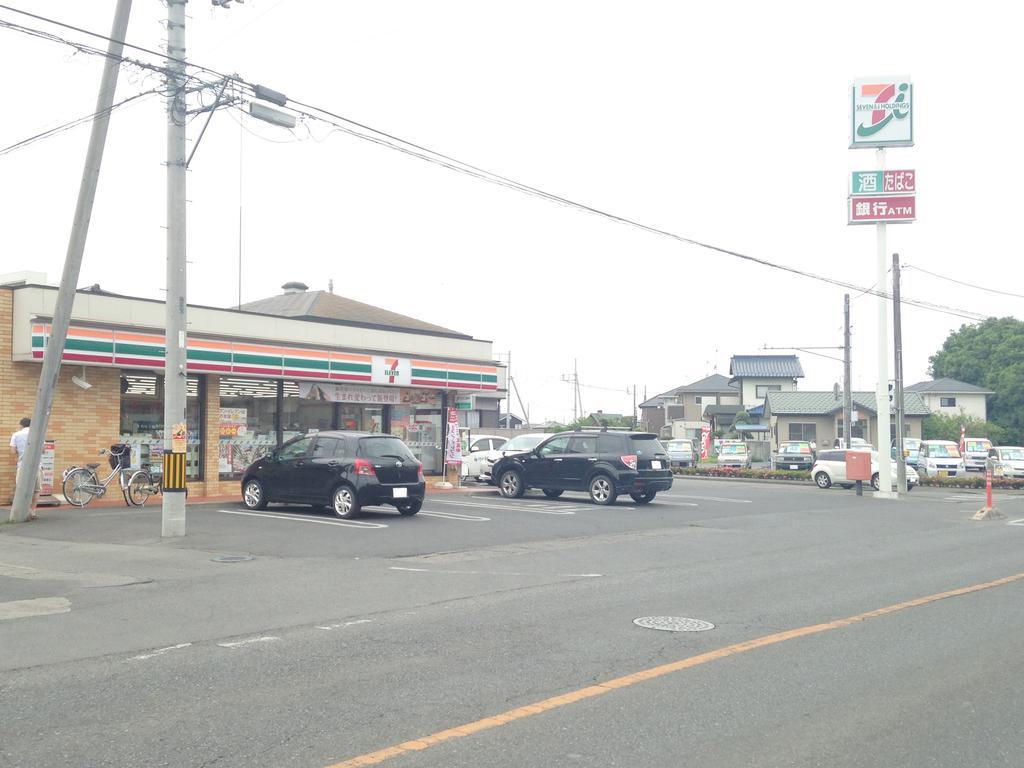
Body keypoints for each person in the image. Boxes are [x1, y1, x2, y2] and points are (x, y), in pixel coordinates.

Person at [9, 417, 40, 519]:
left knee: (20, 488)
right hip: (36, 466)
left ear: (21, 425)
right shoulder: (37, 433)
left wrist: (21, 453)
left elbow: (13, 452)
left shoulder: (16, 435)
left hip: (22, 466)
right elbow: (43, 450)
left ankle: (26, 511)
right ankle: (33, 510)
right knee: (36, 490)